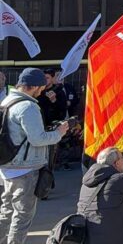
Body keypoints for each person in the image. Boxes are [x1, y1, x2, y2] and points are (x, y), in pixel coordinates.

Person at [0, 68, 69, 244]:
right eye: (41, 88)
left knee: (6, 211)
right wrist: (59, 133)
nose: (42, 91)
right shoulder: (28, 106)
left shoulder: (7, 100)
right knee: (22, 217)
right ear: (35, 87)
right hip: (25, 168)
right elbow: (38, 139)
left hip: (7, 165)